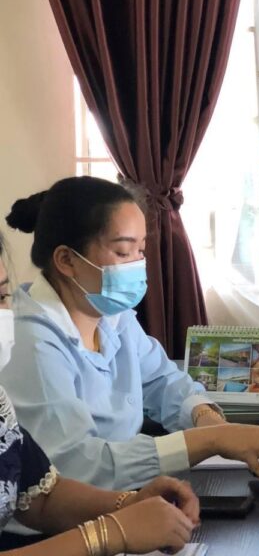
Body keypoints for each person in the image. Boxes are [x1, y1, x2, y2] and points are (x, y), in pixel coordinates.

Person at [1, 177, 259, 492]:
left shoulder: (111, 316)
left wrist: (205, 418)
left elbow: (164, 381)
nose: (138, 265)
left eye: (141, 250)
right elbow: (77, 466)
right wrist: (210, 440)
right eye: (123, 252)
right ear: (66, 260)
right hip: (74, 511)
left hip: (126, 497)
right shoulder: (31, 342)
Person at [0, 231, 199, 554]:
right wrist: (111, 532)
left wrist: (129, 503)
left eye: (1, 297)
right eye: (123, 251)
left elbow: (40, 497)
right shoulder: (36, 343)